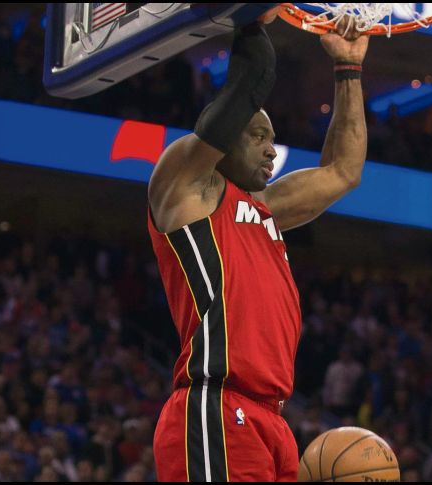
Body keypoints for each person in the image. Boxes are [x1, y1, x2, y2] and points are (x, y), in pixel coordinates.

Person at [148, 13, 369, 483]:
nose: (272, 151)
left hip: (272, 419)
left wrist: (348, 69)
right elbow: (252, 77)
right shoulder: (186, 188)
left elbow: (343, 171)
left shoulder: (265, 207)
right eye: (258, 136)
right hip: (216, 404)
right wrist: (249, 19)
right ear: (225, 137)